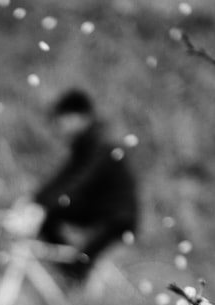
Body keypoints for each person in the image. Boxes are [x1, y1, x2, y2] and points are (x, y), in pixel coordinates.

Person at [32, 88, 139, 284]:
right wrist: (37, 201)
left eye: (62, 120)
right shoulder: (85, 145)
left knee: (79, 267)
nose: (59, 126)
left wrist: (44, 204)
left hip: (116, 216)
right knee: (49, 219)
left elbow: (79, 181)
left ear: (79, 117)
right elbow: (63, 178)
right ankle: (70, 273)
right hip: (98, 210)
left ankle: (78, 288)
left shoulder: (101, 146)